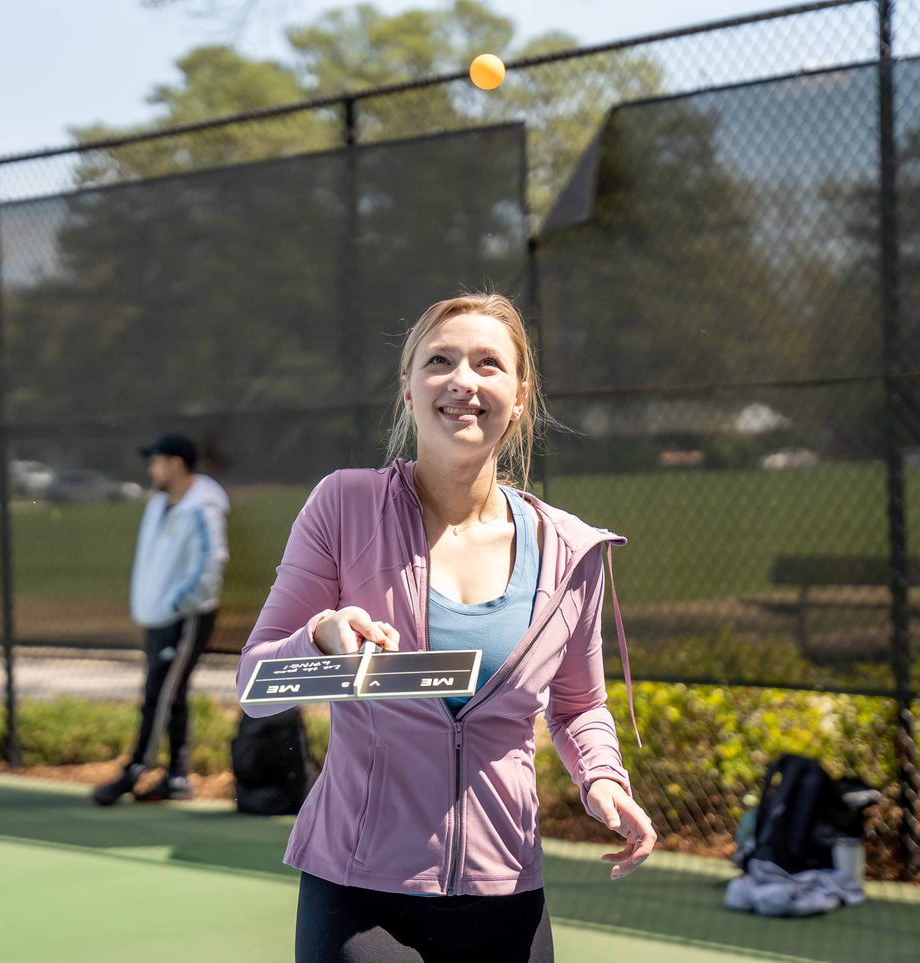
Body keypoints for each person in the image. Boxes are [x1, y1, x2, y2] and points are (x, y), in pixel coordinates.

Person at [237, 293, 655, 962]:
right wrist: (320, 635)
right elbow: (257, 686)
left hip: (506, 888)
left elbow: (578, 704)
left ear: (518, 396)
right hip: (357, 887)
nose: (463, 379)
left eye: (488, 363)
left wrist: (603, 781)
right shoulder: (342, 504)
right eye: (440, 360)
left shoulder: (571, 549)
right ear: (408, 390)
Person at [92, 432, 230, 805]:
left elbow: (210, 564)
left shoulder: (203, 508)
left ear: (176, 464)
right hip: (157, 619)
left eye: (156, 460)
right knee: (172, 694)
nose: (150, 468)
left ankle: (136, 769)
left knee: (159, 693)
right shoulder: (157, 505)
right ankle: (178, 776)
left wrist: (176, 605)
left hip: (185, 619)